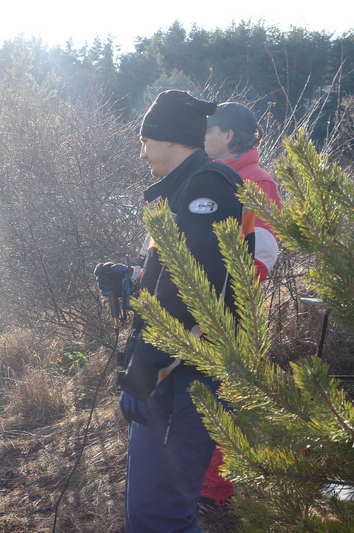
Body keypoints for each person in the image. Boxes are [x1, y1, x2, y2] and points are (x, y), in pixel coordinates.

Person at [99, 90, 249, 532]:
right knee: (151, 512)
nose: (141, 153)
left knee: (159, 515)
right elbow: (169, 276)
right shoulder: (181, 189)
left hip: (184, 378)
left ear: (169, 139)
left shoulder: (208, 185)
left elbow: (195, 293)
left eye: (145, 141)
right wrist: (129, 279)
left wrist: (146, 370)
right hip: (171, 374)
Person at [200, 101, 282, 512]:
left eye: (209, 129)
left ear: (228, 135)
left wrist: (222, 305)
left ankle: (213, 494)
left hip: (226, 316)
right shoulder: (212, 176)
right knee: (199, 403)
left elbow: (262, 254)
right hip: (200, 310)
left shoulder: (255, 182)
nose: (203, 136)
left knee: (221, 404)